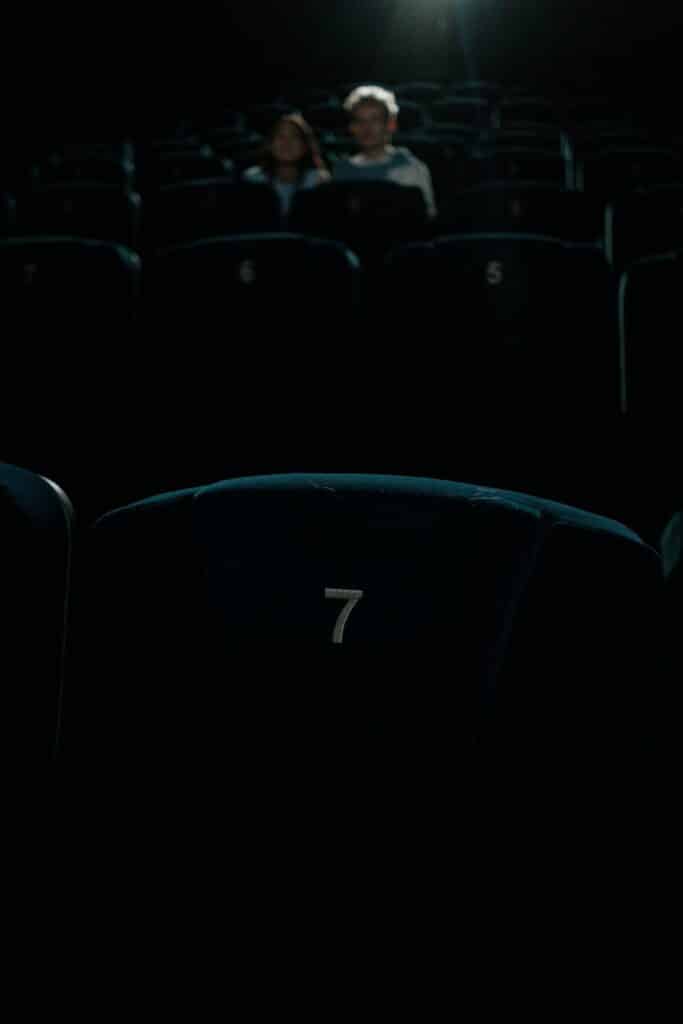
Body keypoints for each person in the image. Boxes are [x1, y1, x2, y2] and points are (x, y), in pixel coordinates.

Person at [333, 85, 437, 218]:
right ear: (351, 127)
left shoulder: (411, 169)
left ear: (391, 124)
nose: (366, 127)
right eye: (359, 120)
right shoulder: (340, 169)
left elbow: (425, 217)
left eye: (375, 119)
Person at [242, 113, 330, 222]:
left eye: (294, 137)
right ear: (270, 144)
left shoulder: (319, 181)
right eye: (280, 137)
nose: (287, 143)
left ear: (305, 146)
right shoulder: (253, 179)